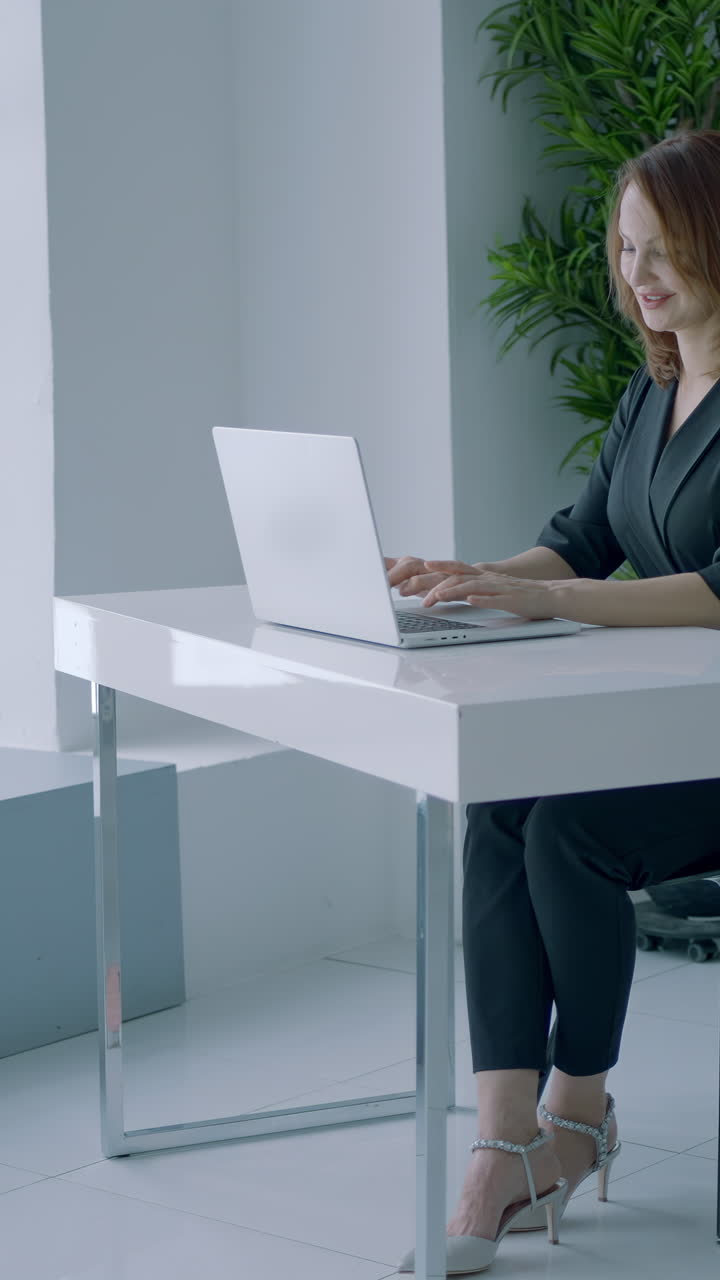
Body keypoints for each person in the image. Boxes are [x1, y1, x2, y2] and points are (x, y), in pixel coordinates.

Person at [394, 127, 720, 1275]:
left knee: (574, 831)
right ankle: (502, 1135)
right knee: (500, 803)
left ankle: (578, 1121)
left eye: (665, 244)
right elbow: (580, 538)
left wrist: (562, 605)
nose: (640, 272)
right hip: (670, 717)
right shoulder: (656, 386)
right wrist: (466, 581)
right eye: (627, 249)